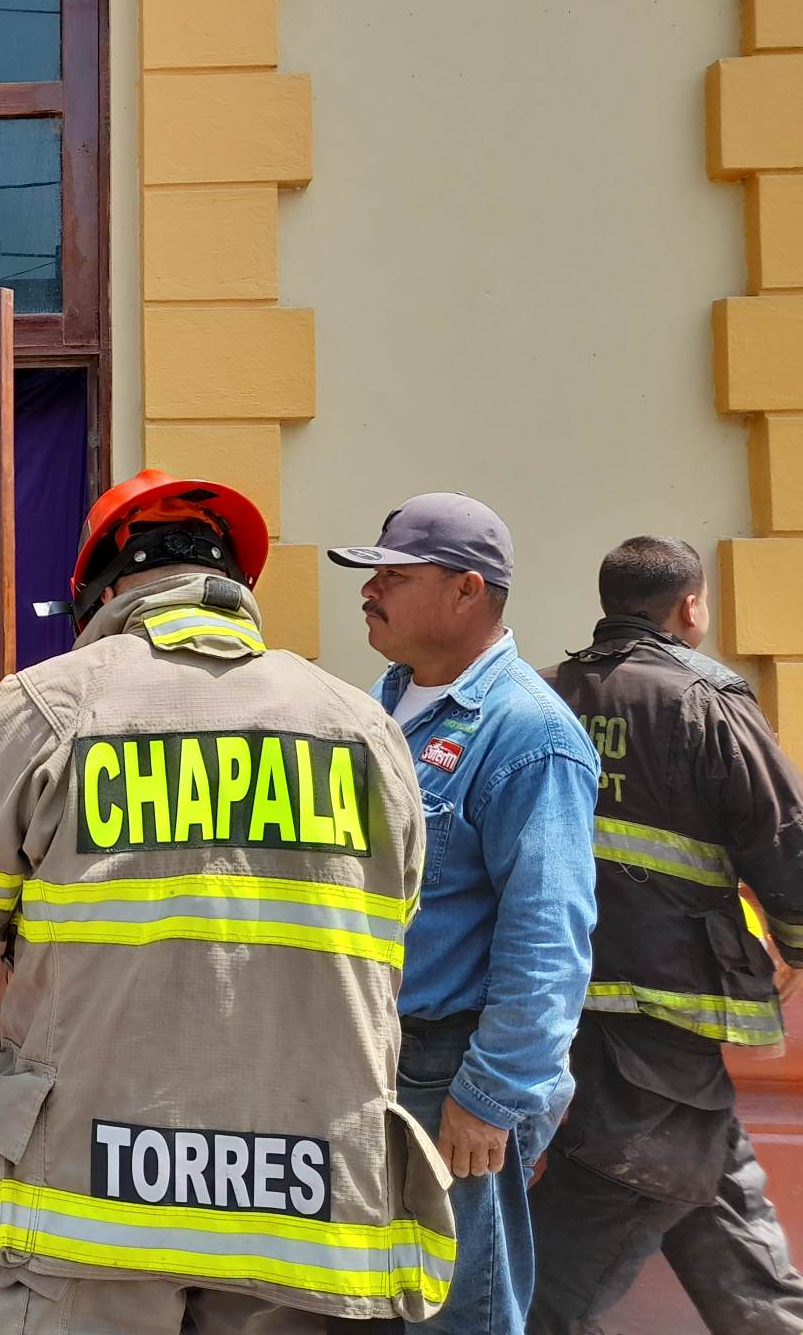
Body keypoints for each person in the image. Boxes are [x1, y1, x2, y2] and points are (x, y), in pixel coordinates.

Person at [0, 469, 455, 1335]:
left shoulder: (54, 703)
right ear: (237, 585)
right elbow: (395, 908)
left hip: (87, 1207)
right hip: (304, 1213)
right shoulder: (365, 728)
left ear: (105, 585)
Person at [328, 494, 598, 1335]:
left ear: (467, 592)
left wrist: (494, 1097)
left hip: (452, 1073)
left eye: (395, 578)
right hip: (369, 1060)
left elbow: (548, 937)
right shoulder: (383, 704)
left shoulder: (526, 733)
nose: (369, 593)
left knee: (458, 1314)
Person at [528, 536, 803, 1334]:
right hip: (671, 1011)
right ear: (691, 607)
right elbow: (784, 842)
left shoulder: (547, 698)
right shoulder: (705, 700)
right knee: (613, 1205)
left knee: (712, 1196)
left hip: (568, 1006)